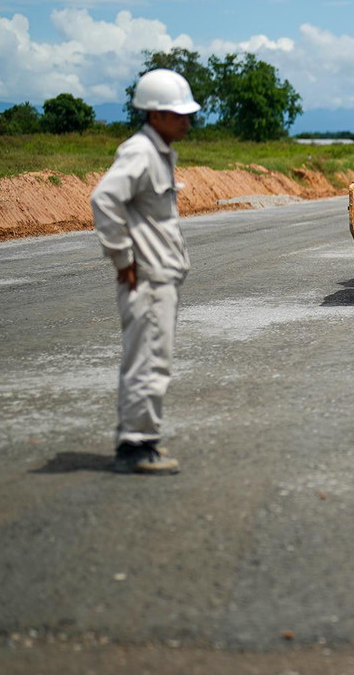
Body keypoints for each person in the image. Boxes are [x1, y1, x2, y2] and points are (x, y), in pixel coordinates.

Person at [90, 68, 199, 474]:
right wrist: (123, 259)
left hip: (159, 276)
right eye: (178, 114)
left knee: (154, 360)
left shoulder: (158, 152)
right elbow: (104, 199)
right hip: (148, 278)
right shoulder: (140, 152)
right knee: (148, 362)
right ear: (155, 114)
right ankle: (135, 448)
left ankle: (143, 441)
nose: (187, 121)